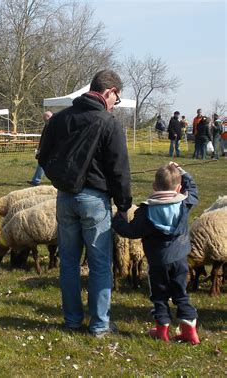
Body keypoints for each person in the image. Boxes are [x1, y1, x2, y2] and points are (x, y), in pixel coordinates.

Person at [38, 69, 132, 337]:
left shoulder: (60, 119)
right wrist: (123, 205)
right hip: (94, 200)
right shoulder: (109, 122)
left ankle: (72, 320)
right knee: (100, 263)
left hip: (65, 198)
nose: (116, 103)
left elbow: (43, 156)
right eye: (117, 98)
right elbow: (119, 169)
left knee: (68, 261)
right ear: (109, 91)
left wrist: (60, 178)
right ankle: (100, 325)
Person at [112, 162, 200, 345]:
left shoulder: (145, 211)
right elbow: (193, 189)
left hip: (158, 261)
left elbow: (130, 231)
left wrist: (118, 220)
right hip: (180, 259)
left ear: (154, 186)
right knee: (181, 293)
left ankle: (162, 330)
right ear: (178, 187)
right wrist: (182, 172)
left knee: (159, 295)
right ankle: (190, 330)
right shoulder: (184, 203)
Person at [27, 111, 53, 186]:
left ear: (48, 117)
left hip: (49, 148)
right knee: (42, 163)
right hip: (46, 148)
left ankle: (36, 180)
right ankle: (36, 180)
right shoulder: (48, 124)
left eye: (44, 118)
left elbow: (48, 138)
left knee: (44, 163)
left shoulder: (51, 124)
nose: (43, 119)